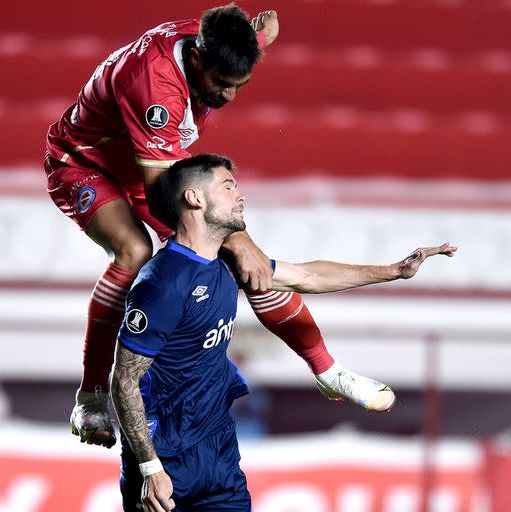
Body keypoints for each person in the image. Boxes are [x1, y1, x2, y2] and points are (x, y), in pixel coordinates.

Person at [46, 3, 389, 449]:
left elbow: (265, 30)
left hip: (148, 163)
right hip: (85, 163)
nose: (228, 97)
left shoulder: (219, 44)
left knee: (235, 259)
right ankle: (90, 396)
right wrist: (238, 239)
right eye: (221, 85)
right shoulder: (155, 88)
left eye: (239, 86)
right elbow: (168, 191)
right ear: (197, 60)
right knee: (136, 251)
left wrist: (264, 31)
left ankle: (327, 372)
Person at [111, 154, 457, 512]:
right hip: (165, 457)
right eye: (228, 187)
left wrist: (394, 271)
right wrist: (150, 468)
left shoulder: (227, 265)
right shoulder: (163, 284)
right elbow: (123, 381)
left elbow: (308, 276)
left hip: (218, 451)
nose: (240, 196)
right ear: (195, 199)